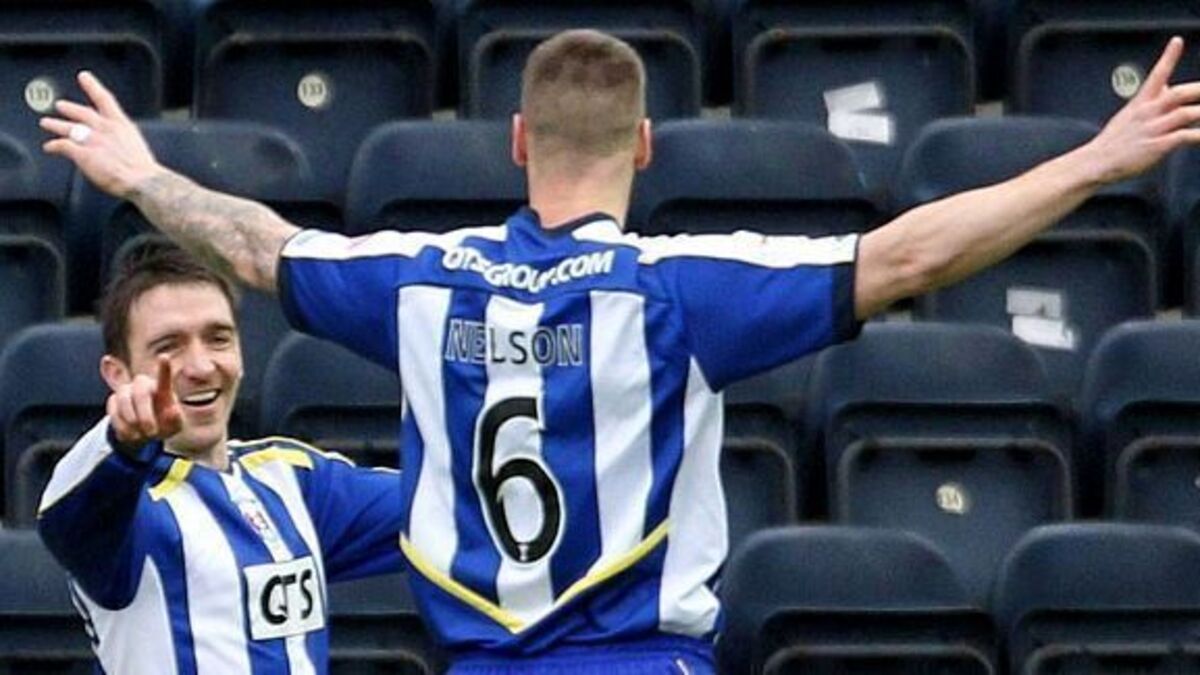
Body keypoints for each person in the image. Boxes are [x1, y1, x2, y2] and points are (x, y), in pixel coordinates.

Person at [40, 28, 1200, 673]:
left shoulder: (417, 281)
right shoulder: (676, 290)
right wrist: (1093, 162)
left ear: (515, 140)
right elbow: (904, 258)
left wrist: (140, 174)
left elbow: (258, 245)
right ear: (645, 144)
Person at [37, 242, 406, 675]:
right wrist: (123, 439)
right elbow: (63, 514)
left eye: (218, 339)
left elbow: (446, 505)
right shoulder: (128, 514)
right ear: (118, 375)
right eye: (169, 347)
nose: (200, 366)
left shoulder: (294, 480)